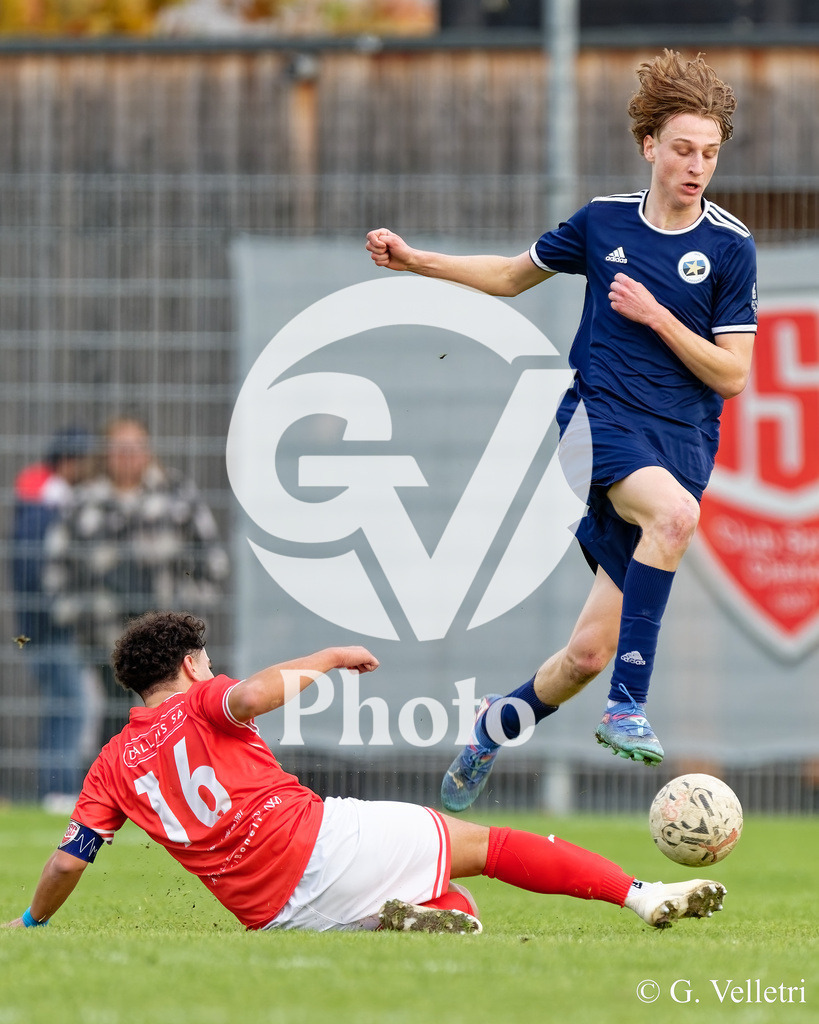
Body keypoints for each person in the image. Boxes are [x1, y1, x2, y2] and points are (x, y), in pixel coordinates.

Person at [365, 50, 758, 811]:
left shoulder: (727, 247)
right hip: (596, 422)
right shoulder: (602, 222)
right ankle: (628, 706)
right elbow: (512, 276)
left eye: (708, 153)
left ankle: (490, 729)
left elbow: (732, 375)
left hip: (680, 445)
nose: (695, 166)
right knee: (674, 519)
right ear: (648, 145)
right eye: (681, 149)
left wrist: (656, 316)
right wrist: (417, 262)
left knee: (583, 653)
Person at [4, 611, 727, 934]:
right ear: (190, 666)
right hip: (318, 845)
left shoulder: (109, 766)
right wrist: (326, 658)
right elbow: (251, 696)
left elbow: (69, 863)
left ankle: (418, 921)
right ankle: (641, 894)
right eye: (208, 661)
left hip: (273, 917)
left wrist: (33, 919)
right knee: (486, 846)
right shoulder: (202, 698)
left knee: (457, 910)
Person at [44, 417, 230, 747]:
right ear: (107, 454)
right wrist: (76, 614)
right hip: (105, 640)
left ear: (147, 452)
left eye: (134, 448)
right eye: (119, 449)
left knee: (175, 721)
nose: (127, 456)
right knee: (117, 725)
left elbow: (212, 559)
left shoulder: (176, 494)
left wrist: (191, 614)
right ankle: (116, 793)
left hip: (168, 639)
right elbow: (57, 567)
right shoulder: (85, 501)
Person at [11, 428, 95, 808]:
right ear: (70, 461)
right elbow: (36, 568)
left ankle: (55, 789)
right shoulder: (50, 499)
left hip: (35, 625)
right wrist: (54, 611)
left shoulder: (36, 494)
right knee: (70, 705)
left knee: (62, 705)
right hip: (48, 625)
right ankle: (59, 790)